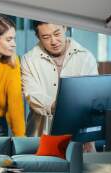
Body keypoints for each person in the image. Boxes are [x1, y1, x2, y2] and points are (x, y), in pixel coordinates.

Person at [21, 21, 98, 152]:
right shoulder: (28, 59)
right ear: (38, 36)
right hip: (40, 138)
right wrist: (59, 106)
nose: (53, 41)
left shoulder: (86, 57)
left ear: (65, 27)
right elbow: (31, 94)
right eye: (46, 37)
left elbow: (93, 99)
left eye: (57, 33)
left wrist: (88, 136)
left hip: (78, 139)